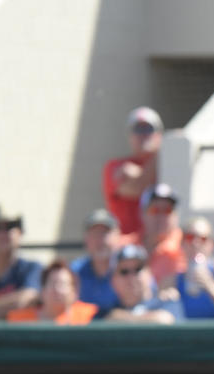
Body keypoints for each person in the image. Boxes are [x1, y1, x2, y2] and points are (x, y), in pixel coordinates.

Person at [103, 106, 163, 236]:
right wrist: (163, 151)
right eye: (138, 129)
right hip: (126, 248)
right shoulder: (114, 166)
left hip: (157, 246)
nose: (143, 134)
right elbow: (138, 187)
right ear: (129, 135)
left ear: (159, 135)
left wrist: (138, 173)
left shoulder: (168, 165)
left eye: (148, 129)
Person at [97, 244, 183, 324]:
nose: (132, 277)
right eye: (124, 271)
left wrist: (119, 318)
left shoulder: (166, 300)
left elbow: (165, 321)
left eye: (138, 269)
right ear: (113, 280)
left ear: (149, 273)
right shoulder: (106, 308)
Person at [6, 261, 98, 324]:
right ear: (42, 291)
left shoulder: (90, 316)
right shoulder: (20, 320)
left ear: (74, 292)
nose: (57, 289)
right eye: (52, 283)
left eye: (63, 284)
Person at [71, 209, 122, 315]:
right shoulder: (74, 272)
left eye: (105, 233)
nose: (100, 240)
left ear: (118, 236)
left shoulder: (131, 269)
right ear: (86, 239)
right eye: (95, 233)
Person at [137, 183, 185, 287]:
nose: (161, 216)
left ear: (176, 215)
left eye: (167, 210)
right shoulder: (126, 245)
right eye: (155, 210)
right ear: (142, 213)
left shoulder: (187, 243)